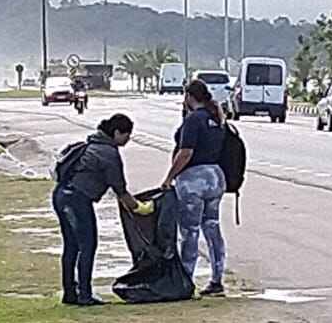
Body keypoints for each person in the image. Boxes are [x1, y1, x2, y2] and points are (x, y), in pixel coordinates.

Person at [53, 114, 153, 306]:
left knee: (72, 246)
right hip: (77, 200)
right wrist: (141, 209)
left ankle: (70, 293)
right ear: (116, 133)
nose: (128, 139)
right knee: (87, 245)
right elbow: (120, 190)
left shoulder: (91, 144)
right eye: (126, 135)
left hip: (61, 196)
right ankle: (84, 294)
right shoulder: (108, 153)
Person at [163, 79, 229, 297]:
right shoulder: (216, 117)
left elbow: (186, 153)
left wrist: (169, 177)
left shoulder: (194, 120)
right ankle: (217, 279)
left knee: (189, 232)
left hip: (194, 180)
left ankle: (186, 280)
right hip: (216, 178)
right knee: (212, 228)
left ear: (190, 97)